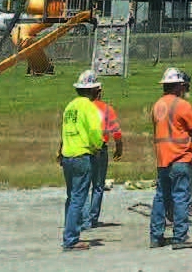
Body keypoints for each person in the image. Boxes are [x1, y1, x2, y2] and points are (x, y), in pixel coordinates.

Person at [150, 66, 192, 250]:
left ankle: (156, 237)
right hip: (180, 157)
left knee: (161, 198)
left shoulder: (157, 105)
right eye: (183, 86)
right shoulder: (182, 105)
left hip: (162, 159)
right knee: (181, 197)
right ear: (178, 86)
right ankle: (180, 237)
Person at [59, 69, 104, 252]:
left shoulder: (70, 107)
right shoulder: (89, 107)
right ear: (93, 90)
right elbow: (95, 132)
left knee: (71, 197)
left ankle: (69, 232)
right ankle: (71, 239)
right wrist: (98, 147)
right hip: (82, 155)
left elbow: (64, 131)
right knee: (79, 198)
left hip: (67, 155)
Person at [86, 77, 123, 228]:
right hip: (100, 149)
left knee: (84, 185)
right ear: (99, 92)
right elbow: (116, 132)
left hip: (84, 149)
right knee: (98, 185)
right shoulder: (106, 109)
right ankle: (92, 218)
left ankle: (83, 218)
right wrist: (119, 148)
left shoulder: (83, 108)